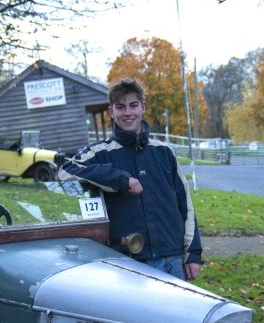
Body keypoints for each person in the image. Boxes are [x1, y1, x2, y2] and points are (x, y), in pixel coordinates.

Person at [58, 78, 202, 281]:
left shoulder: (164, 152)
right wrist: (120, 180)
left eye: (133, 105)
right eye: (120, 107)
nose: (128, 113)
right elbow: (64, 172)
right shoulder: (99, 153)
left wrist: (192, 253)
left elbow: (185, 204)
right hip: (130, 262)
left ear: (143, 107)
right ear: (111, 112)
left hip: (174, 259)